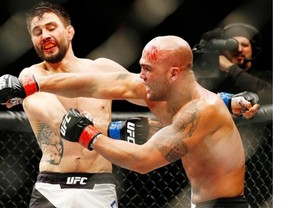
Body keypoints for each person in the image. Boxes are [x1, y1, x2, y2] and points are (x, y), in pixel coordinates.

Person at [3, 35, 253, 207]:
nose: (140, 76)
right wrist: (32, 84)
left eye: (147, 69)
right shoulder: (158, 90)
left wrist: (87, 135)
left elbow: (143, 160)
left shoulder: (202, 110)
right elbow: (99, 82)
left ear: (173, 73)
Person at [0, 1, 151, 208]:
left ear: (69, 32)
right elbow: (62, 121)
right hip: (52, 190)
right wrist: (117, 130)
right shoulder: (31, 78)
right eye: (37, 32)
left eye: (51, 28)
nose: (44, 35)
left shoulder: (102, 70)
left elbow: (150, 95)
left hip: (99, 188)